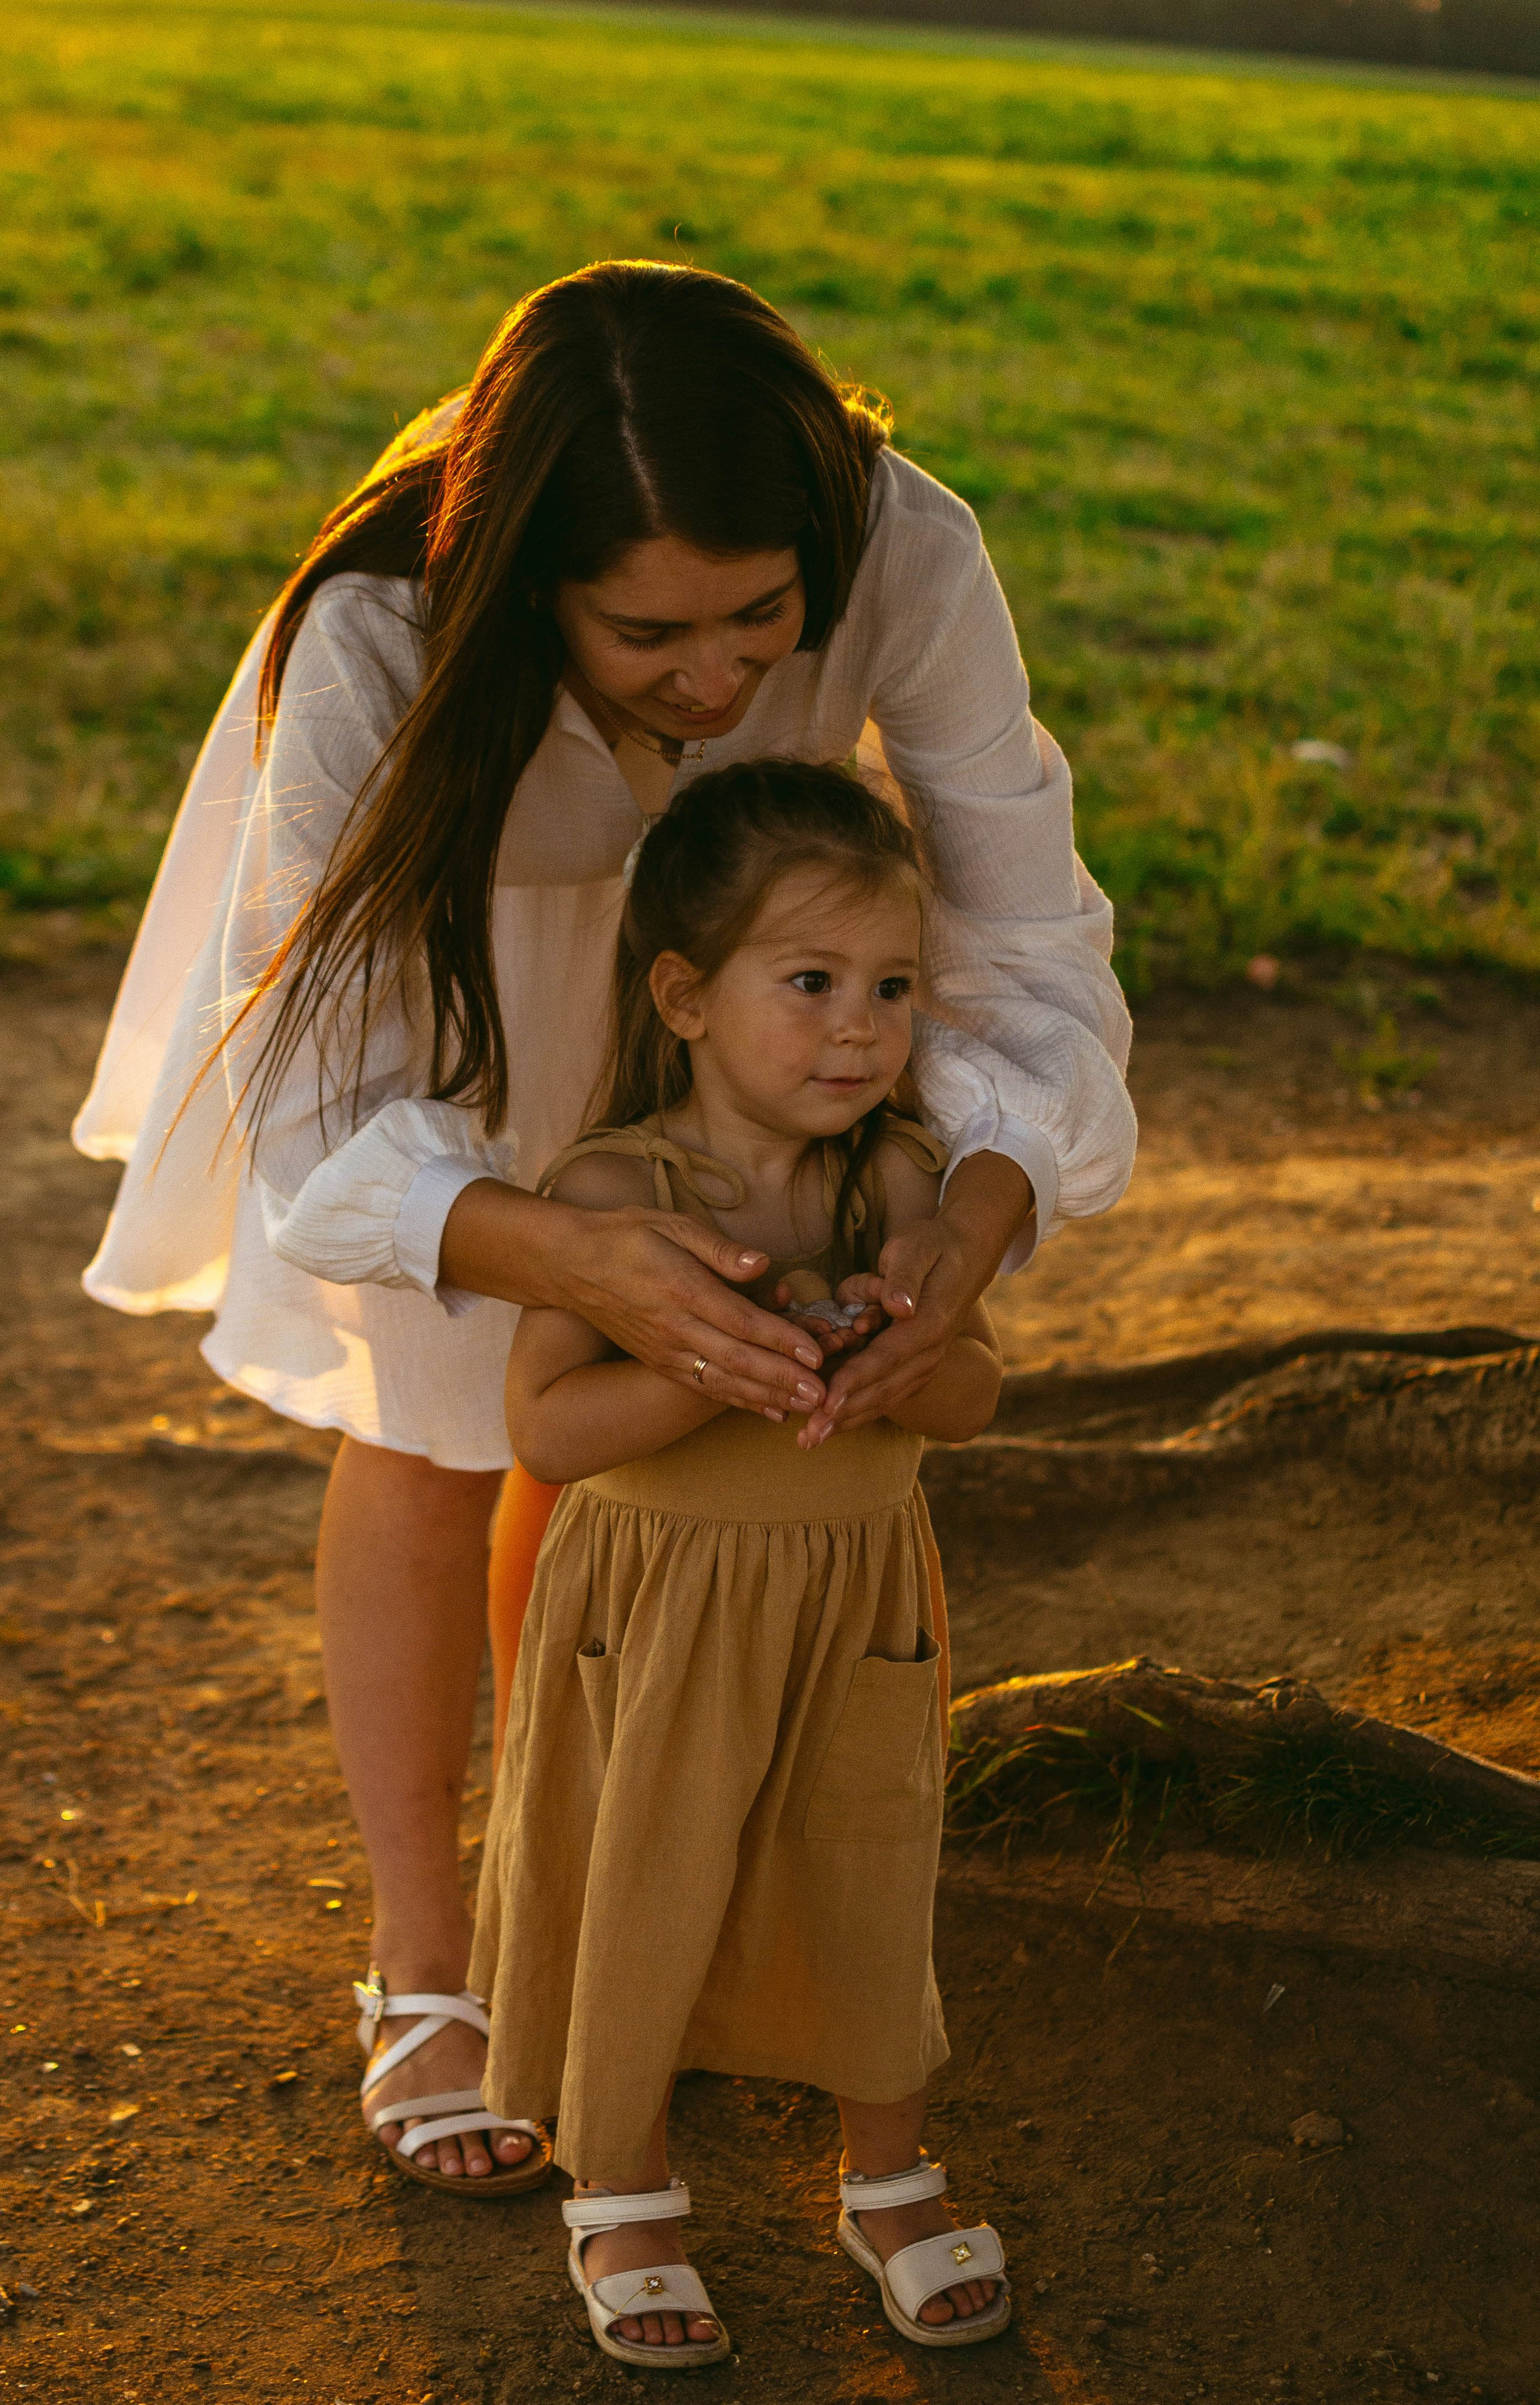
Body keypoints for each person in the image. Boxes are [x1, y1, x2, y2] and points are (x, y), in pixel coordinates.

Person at [71, 261, 1135, 2189]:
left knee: (629, 1452)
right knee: (430, 1420)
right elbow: (316, 1107)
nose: (717, 677)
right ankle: (424, 1962)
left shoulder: (907, 537)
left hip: (732, 959)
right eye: (649, 631)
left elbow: (1026, 914)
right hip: (443, 961)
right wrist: (554, 1247)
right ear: (531, 580)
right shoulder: (383, 629)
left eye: (760, 619)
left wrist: (984, 1204)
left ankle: (589, 1916)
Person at [479, 761, 1009, 2364]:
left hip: (856, 1607)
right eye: (810, 983)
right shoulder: (613, 1191)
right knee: (646, 1888)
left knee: (865, 1874)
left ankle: (885, 2176)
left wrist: (910, 1354)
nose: (858, 1026)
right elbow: (547, 1433)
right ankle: (623, 2184)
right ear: (685, 995)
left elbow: (978, 1394)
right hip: (656, 1617)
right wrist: (697, 1360)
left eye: (890, 987)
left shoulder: (898, 1182)